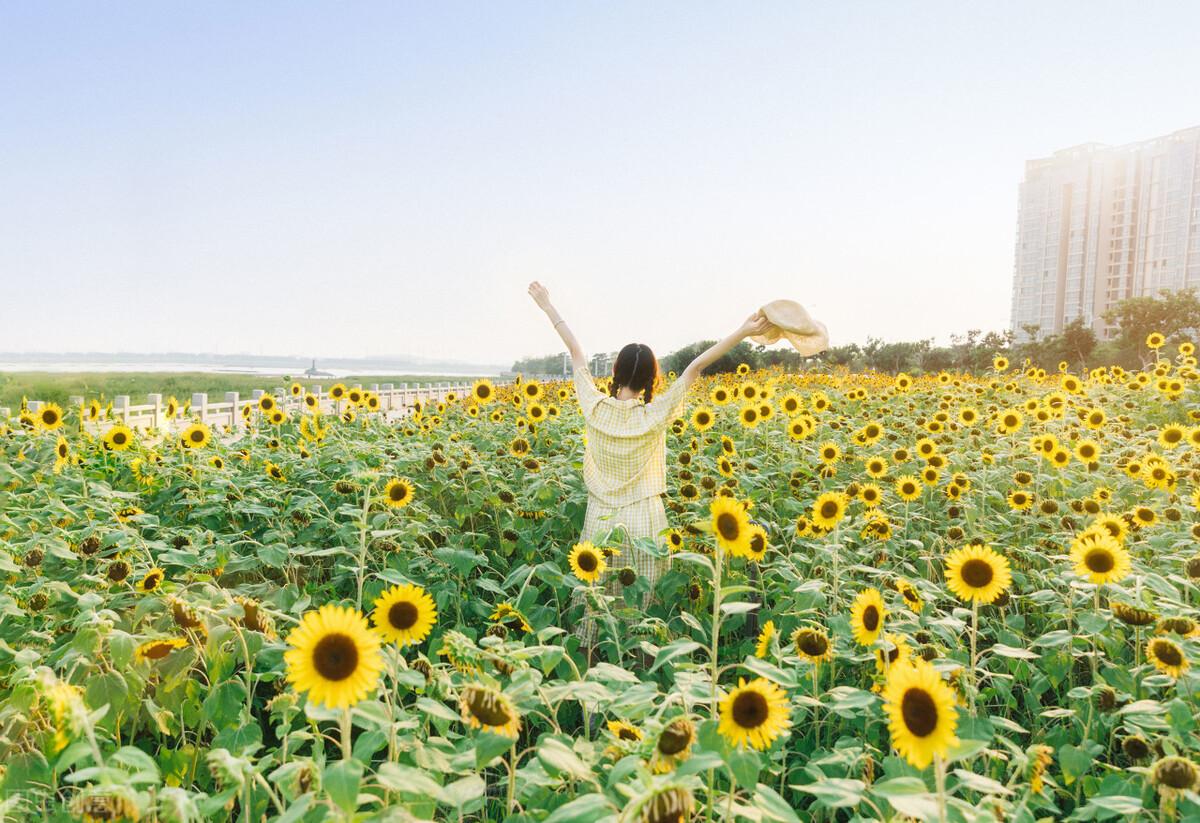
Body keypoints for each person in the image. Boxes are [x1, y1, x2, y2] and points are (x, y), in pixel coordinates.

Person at [527, 281, 771, 660]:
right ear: (653, 379)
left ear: (613, 370)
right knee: (646, 611)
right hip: (645, 522)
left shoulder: (593, 407)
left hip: (601, 519)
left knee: (596, 605)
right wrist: (742, 330)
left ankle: (594, 690)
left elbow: (575, 351)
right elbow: (696, 366)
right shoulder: (656, 415)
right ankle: (642, 679)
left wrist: (547, 305)